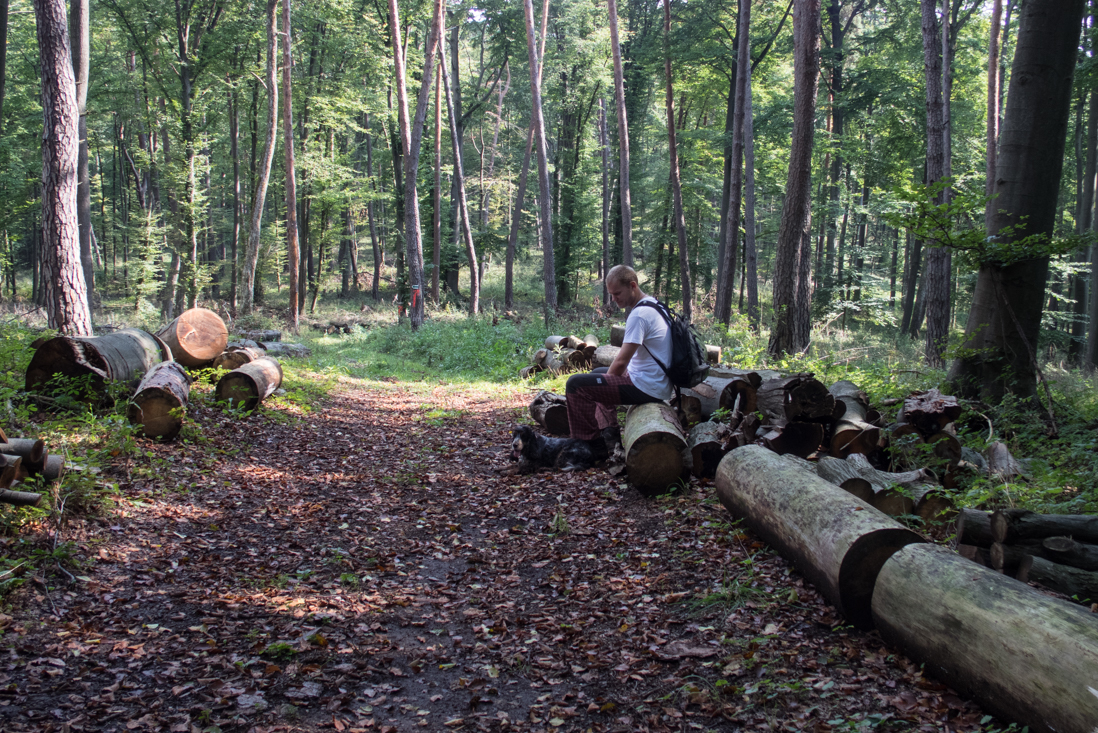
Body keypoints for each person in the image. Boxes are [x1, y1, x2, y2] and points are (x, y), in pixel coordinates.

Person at [565, 265, 672, 456]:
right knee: (596, 375)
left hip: (647, 387)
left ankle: (588, 446)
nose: (614, 299)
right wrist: (603, 382)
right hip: (655, 382)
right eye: (611, 294)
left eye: (617, 293)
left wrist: (604, 385)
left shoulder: (639, 315)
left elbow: (621, 362)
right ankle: (609, 435)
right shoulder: (654, 305)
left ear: (633, 285)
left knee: (575, 384)